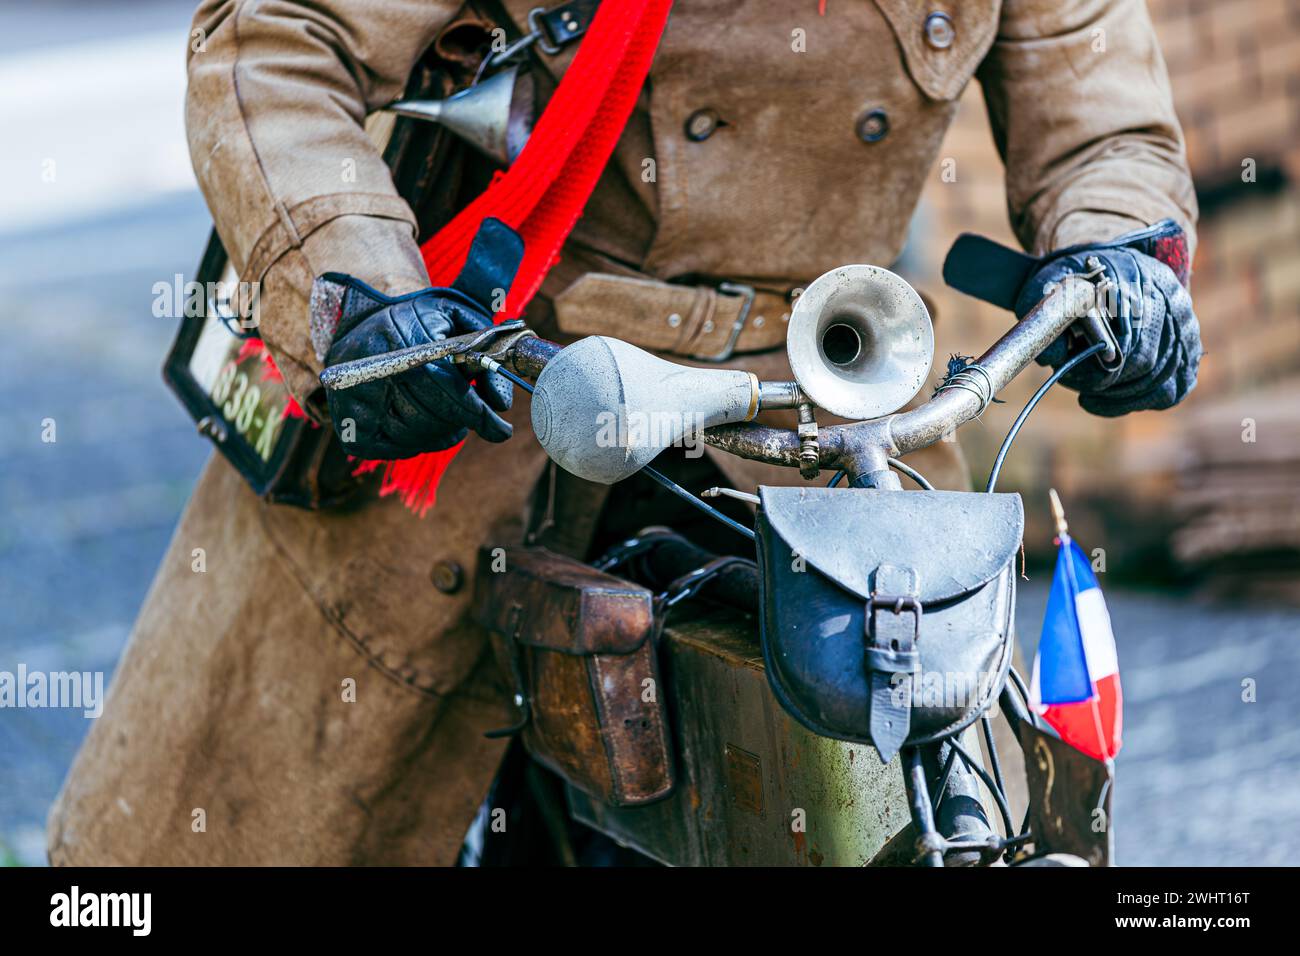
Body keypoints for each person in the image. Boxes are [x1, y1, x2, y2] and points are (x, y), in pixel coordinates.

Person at [49, 0, 1200, 865]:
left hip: (824, 412)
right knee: (296, 812)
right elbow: (277, 42)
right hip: (491, 395)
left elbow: (1104, 122)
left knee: (943, 806)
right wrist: (362, 297)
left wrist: (1115, 258)